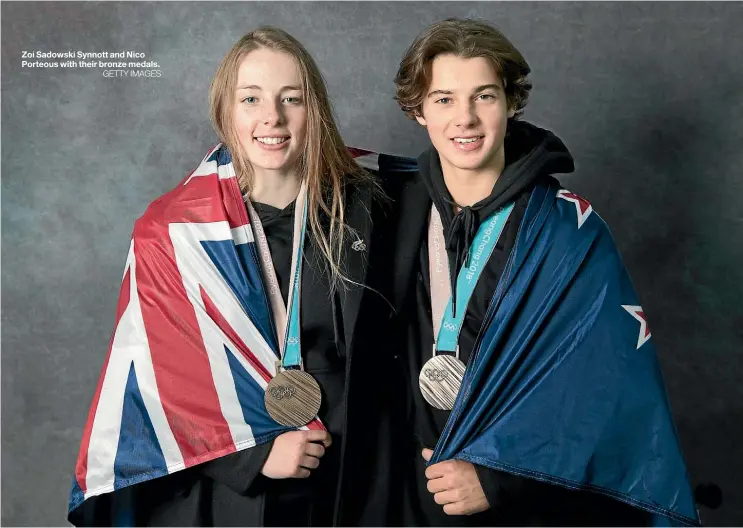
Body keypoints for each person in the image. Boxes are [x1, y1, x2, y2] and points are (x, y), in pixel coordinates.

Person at [67, 26, 403, 527]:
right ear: (226, 110)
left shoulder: (373, 206)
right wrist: (249, 458)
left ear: (317, 110)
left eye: (292, 98)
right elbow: (152, 384)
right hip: (233, 493)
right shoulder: (173, 229)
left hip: (356, 476)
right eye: (252, 99)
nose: (273, 116)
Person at [386, 18, 700, 526]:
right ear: (418, 110)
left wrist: (498, 477)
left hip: (523, 504)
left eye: (483, 96)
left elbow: (605, 388)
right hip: (404, 495)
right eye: (444, 99)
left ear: (511, 103)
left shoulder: (567, 229)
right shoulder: (390, 213)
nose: (464, 118)